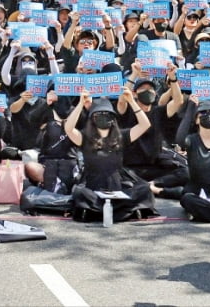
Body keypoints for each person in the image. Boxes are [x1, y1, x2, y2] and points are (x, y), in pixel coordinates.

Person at [64, 90, 156, 222]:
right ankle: (111, 211)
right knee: (79, 192)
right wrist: (80, 104)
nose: (103, 116)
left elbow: (145, 124)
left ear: (113, 118)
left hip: (117, 188)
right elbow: (68, 128)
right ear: (92, 118)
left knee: (144, 189)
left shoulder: (121, 136)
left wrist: (131, 101)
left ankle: (106, 210)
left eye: (107, 114)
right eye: (99, 114)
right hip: (93, 190)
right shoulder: (84, 138)